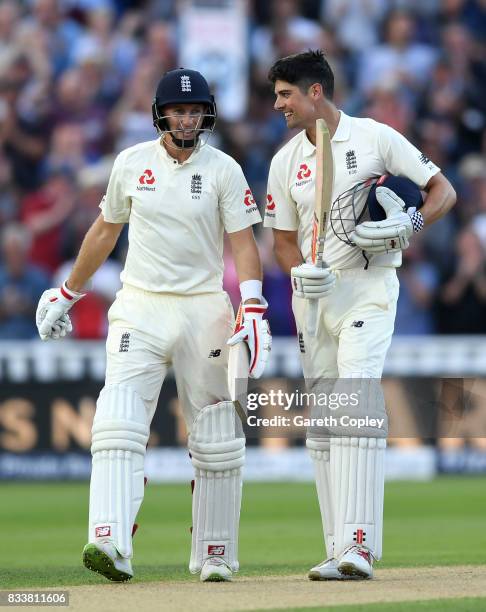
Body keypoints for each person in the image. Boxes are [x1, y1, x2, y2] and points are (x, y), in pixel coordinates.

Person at [35, 68, 271, 583]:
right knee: (117, 421)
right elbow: (104, 231)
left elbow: (243, 242)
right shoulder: (131, 163)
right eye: (178, 110)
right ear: (160, 114)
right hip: (139, 305)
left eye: (195, 110)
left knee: (216, 436)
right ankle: (110, 541)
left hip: (203, 307)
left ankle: (215, 552)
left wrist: (251, 304)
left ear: (206, 114)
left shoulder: (224, 169)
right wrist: (68, 292)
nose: (187, 118)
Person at [264, 50, 455, 580]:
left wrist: (410, 223)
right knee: (324, 427)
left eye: (285, 94)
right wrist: (300, 271)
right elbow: (281, 241)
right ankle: (336, 548)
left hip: (369, 288)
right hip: (314, 300)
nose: (278, 104)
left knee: (356, 397)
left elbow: (443, 191)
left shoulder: (375, 137)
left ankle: (361, 545)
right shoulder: (284, 161)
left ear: (315, 92)